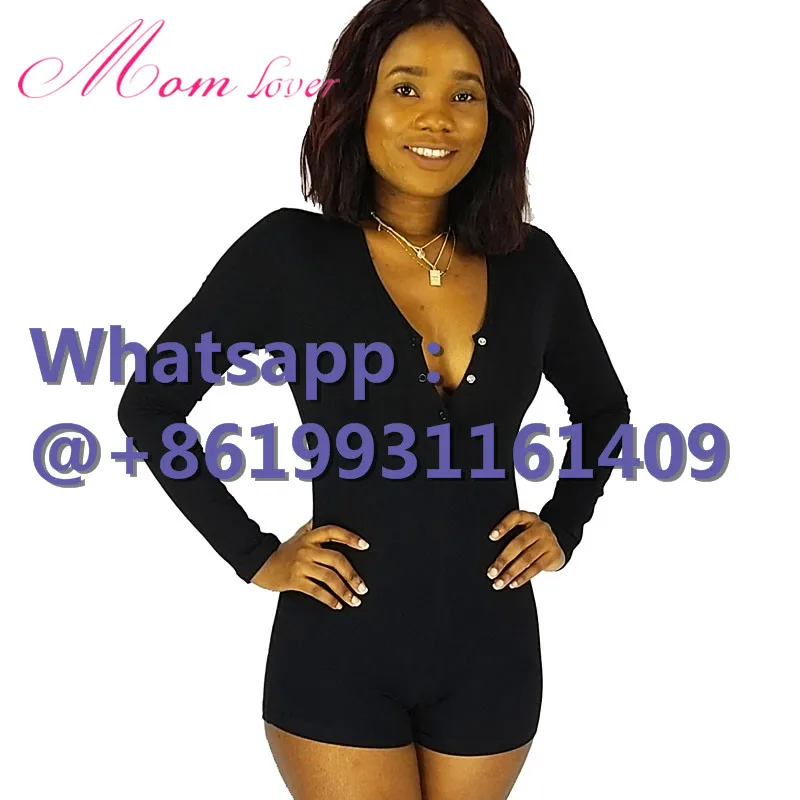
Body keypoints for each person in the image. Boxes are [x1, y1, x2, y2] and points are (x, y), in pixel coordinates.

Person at [117, 1, 631, 797]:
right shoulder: (288, 255)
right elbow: (151, 406)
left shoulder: (534, 265)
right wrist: (254, 554)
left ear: (494, 117)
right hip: (339, 649)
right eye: (407, 87)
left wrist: (564, 524)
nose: (438, 117)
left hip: (493, 652)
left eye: (465, 94)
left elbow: (604, 412)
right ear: (359, 103)